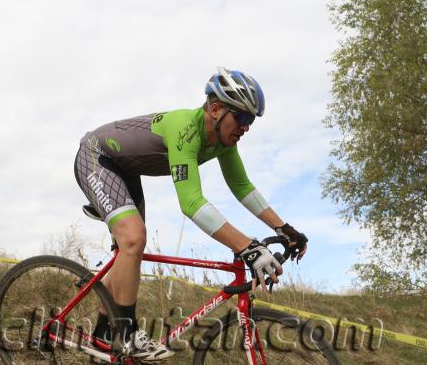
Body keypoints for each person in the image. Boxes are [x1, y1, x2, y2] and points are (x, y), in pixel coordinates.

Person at [74, 66, 308, 361]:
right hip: (96, 156)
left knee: (128, 250)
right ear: (215, 108)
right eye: (243, 117)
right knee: (133, 240)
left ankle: (102, 336)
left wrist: (284, 228)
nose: (246, 127)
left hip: (124, 170)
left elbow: (243, 187)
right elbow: (192, 202)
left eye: (251, 121)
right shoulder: (187, 128)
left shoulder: (223, 144)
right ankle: (127, 333)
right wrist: (246, 246)